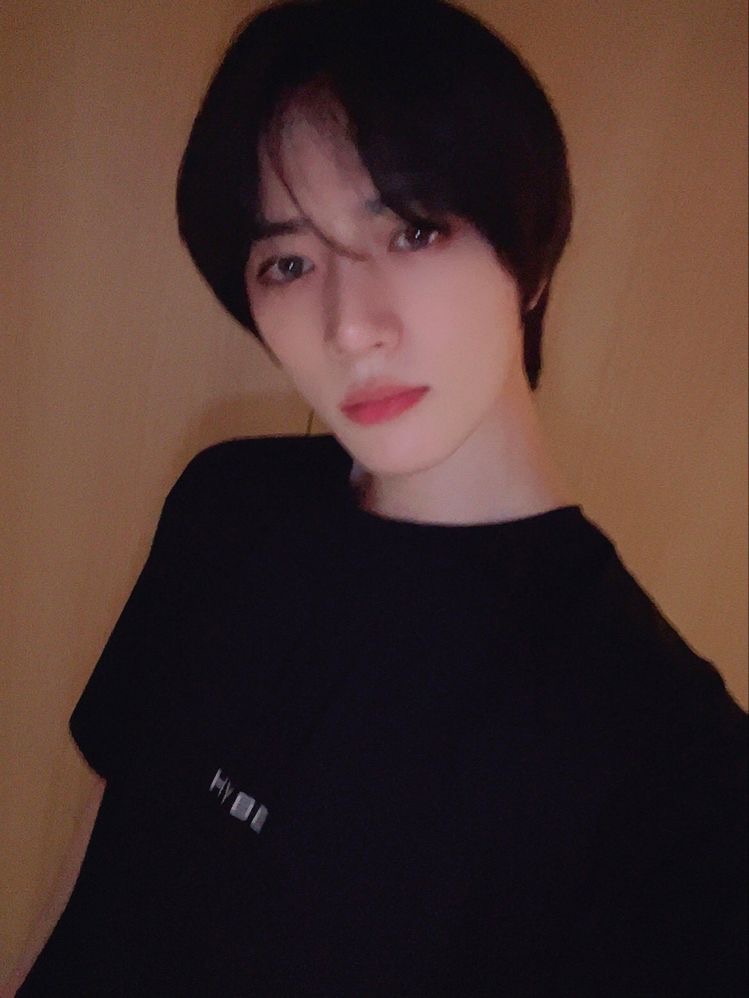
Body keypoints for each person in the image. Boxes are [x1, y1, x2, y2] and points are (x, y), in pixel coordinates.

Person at [13, 0, 747, 994]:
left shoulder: (668, 760)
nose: (349, 325)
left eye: (411, 229)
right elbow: (104, 845)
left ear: (530, 256)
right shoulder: (226, 503)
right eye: (288, 262)